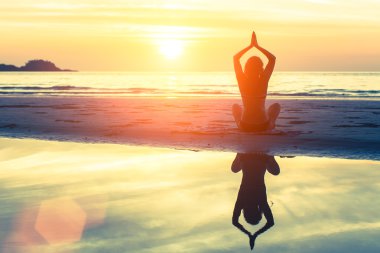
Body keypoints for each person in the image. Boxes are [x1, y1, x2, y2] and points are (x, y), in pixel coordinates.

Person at [233, 31, 281, 132]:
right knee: (276, 106)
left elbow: (235, 58)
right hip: (263, 125)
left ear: (246, 67)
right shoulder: (264, 80)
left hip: (245, 126)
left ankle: (239, 124)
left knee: (235, 107)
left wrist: (250, 46)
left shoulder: (241, 80)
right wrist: (257, 46)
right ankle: (271, 124)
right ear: (260, 68)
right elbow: (272, 59)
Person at [231, 153, 280, 250]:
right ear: (245, 213)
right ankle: (239, 154)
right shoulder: (242, 201)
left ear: (258, 213)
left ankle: (270, 156)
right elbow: (234, 222)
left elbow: (271, 223)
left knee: (276, 172)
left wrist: (255, 235)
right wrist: (249, 234)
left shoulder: (261, 202)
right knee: (234, 170)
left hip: (262, 159)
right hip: (246, 158)